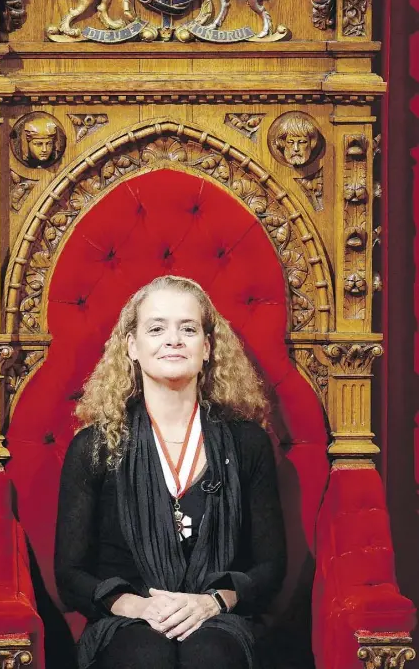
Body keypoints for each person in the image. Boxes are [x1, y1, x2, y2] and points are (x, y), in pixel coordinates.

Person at [55, 275, 286, 669]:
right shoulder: (94, 446)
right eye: (157, 328)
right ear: (132, 347)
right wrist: (136, 607)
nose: (174, 339)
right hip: (125, 621)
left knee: (210, 654)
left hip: (221, 619)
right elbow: (70, 574)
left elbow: (270, 565)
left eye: (188, 329)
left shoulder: (247, 443)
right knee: (146, 655)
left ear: (208, 348)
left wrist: (212, 602)